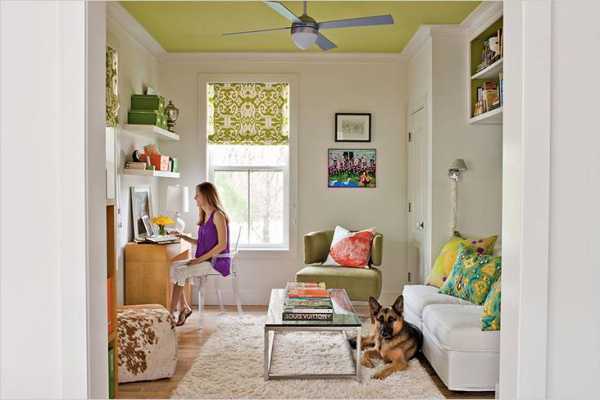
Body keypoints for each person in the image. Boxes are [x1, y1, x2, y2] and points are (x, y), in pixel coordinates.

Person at [169, 182, 230, 326]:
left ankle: (171, 312)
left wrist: (198, 260)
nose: (194, 198)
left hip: (217, 261)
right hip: (206, 260)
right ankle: (184, 307)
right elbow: (202, 243)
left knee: (181, 272)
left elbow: (222, 245)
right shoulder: (205, 216)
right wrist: (183, 236)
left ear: (206, 196)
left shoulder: (218, 215)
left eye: (197, 195)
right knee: (174, 267)